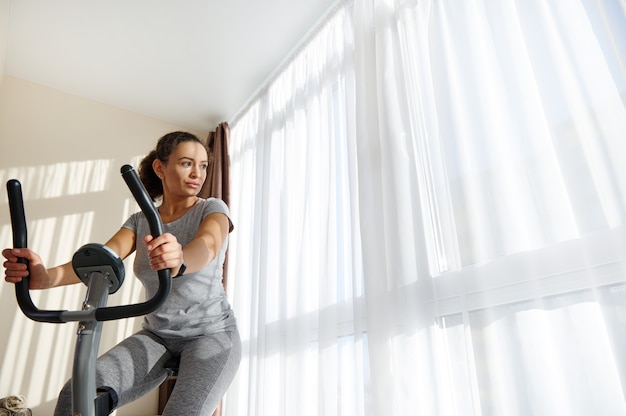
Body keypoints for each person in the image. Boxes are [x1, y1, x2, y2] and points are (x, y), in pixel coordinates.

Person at [2, 131, 241, 416]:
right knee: (76, 394)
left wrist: (180, 259)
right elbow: (102, 261)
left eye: (203, 166)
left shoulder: (213, 208)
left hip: (211, 334)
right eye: (187, 163)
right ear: (160, 168)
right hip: (157, 336)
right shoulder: (141, 221)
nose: (197, 173)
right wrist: (43, 277)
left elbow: (208, 245)